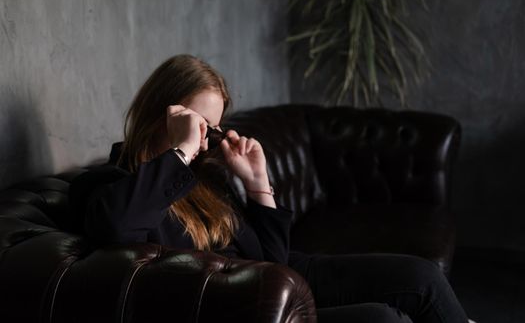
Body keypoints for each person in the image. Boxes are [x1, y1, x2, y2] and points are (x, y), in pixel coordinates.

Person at [70, 54, 470, 323]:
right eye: (200, 125)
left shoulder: (204, 179)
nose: (206, 141)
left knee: (421, 277)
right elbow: (119, 226)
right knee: (382, 319)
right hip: (241, 307)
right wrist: (181, 148)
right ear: (165, 113)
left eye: (213, 128)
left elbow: (273, 258)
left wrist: (258, 184)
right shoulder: (110, 183)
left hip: (278, 278)